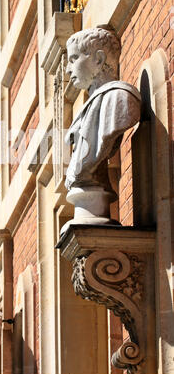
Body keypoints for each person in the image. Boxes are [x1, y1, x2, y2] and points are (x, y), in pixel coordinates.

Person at [63, 27, 141, 226]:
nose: (68, 70)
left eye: (73, 59)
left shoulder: (118, 99)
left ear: (98, 59)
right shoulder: (88, 109)